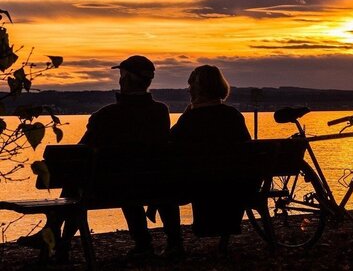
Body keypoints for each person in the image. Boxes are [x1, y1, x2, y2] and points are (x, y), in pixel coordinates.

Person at [18, 55, 182, 260]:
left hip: (111, 188)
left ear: (126, 79)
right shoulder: (160, 112)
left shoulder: (106, 115)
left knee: (77, 178)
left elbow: (78, 153)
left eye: (122, 75)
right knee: (107, 178)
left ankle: (59, 241)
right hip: (151, 184)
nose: (120, 79)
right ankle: (141, 244)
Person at [170, 65, 251, 252]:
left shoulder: (191, 119)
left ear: (198, 88)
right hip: (236, 185)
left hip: (202, 184)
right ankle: (224, 236)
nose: (188, 89)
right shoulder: (233, 116)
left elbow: (170, 142)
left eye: (190, 85)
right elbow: (247, 151)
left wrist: (187, 112)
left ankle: (174, 243)